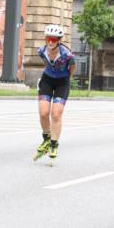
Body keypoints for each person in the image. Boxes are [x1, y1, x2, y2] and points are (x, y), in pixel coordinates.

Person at [34, 24, 76, 162]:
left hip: (62, 82)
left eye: (54, 39)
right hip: (47, 80)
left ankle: (54, 144)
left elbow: (73, 67)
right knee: (44, 112)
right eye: (48, 39)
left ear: (59, 40)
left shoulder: (67, 54)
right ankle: (46, 138)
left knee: (56, 114)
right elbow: (46, 64)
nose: (51, 42)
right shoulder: (42, 51)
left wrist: (66, 78)